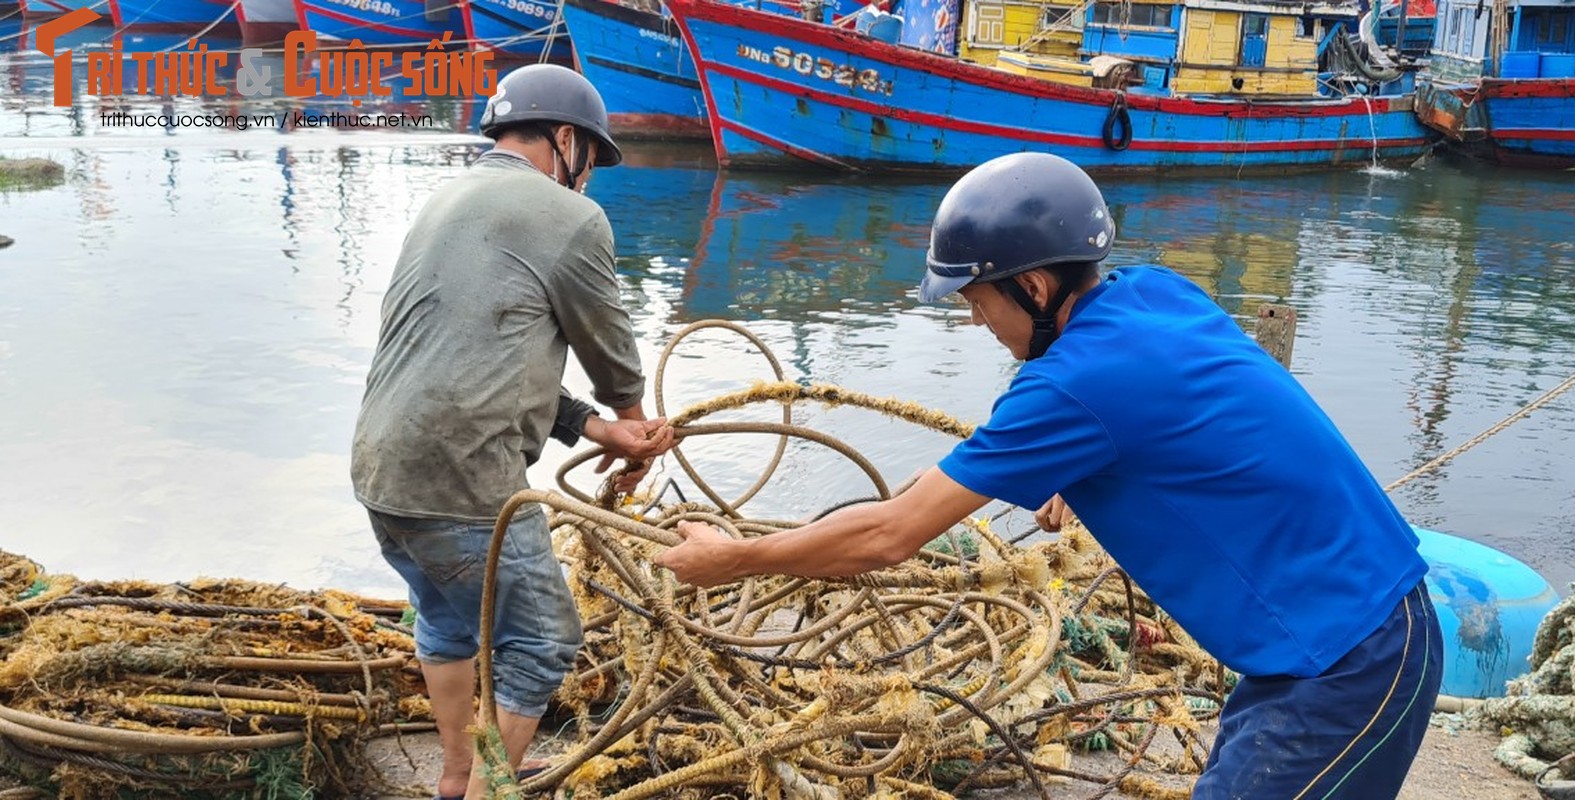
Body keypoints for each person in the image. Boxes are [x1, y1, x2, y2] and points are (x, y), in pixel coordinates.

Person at [655, 152, 1442, 799]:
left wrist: (735, 559)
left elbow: (892, 534)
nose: (973, 320)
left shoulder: (1072, 386)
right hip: (1339, 635)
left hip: (1348, 662)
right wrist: (1084, 465)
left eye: (975, 299)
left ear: (1032, 287)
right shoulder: (1154, 293)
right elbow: (1190, 411)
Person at [350, 64, 676, 800]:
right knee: (543, 638)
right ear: (567, 140)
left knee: (445, 619)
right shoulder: (570, 216)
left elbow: (487, 355)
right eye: (590, 159)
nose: (588, 180)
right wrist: (633, 427)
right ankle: (491, 789)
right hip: (463, 476)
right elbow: (608, 343)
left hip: (382, 468)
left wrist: (590, 427)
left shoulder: (445, 199)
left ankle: (456, 775)